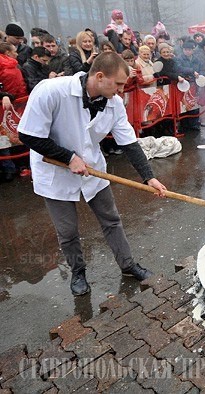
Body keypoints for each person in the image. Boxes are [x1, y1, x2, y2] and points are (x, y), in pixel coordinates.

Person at [17, 52, 167, 295]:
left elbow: (129, 143)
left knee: (111, 219)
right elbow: (28, 135)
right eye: (117, 84)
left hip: (93, 169)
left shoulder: (115, 103)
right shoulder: (51, 91)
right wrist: (68, 157)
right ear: (99, 76)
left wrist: (149, 176)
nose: (121, 90)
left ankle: (128, 265)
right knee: (67, 231)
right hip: (55, 172)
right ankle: (78, 273)